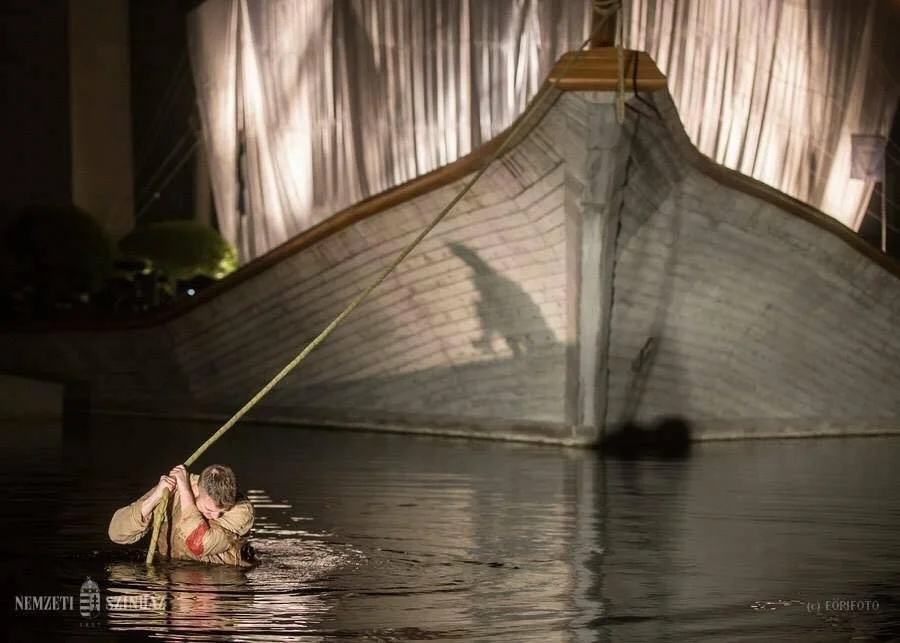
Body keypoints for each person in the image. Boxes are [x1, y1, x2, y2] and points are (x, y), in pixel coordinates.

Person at [109, 464, 256, 567]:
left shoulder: (242, 510)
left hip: (221, 580)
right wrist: (154, 498)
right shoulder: (173, 491)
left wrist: (185, 490)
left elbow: (198, 544)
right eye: (209, 510)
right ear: (196, 490)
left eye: (222, 512)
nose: (216, 516)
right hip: (172, 571)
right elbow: (116, 534)